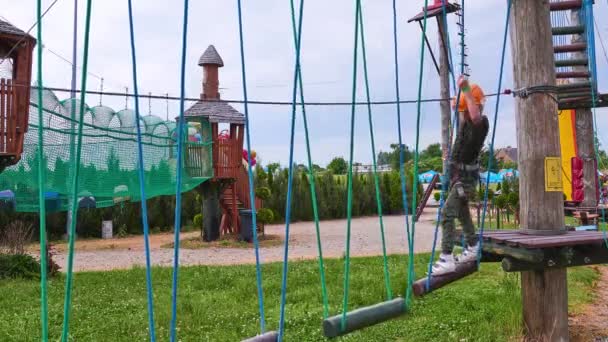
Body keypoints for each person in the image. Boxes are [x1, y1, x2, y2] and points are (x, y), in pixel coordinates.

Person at [432, 76, 490, 275]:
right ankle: (473, 246)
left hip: (464, 180)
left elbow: (475, 116)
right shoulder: (465, 126)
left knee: (447, 214)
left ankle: (446, 257)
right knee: (463, 215)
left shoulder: (480, 124)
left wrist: (465, 89)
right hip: (459, 177)